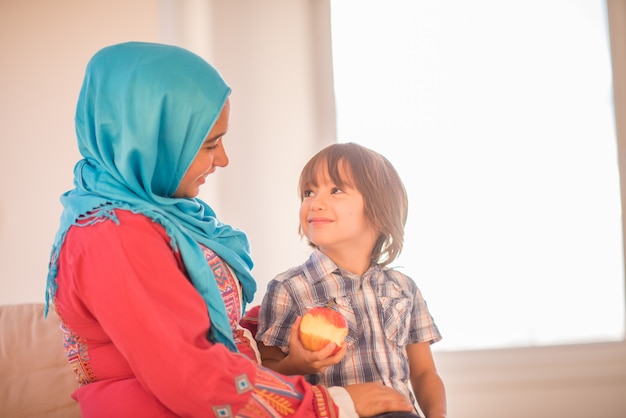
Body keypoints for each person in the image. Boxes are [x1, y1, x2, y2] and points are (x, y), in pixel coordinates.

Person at [44, 41, 416, 418]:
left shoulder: (156, 217)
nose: (223, 159)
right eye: (209, 144)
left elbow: (200, 326)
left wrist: (279, 322)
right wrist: (333, 405)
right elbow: (188, 374)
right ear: (152, 142)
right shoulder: (111, 236)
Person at [255, 143, 447, 418]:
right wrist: (296, 363)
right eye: (308, 192)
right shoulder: (289, 288)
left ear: (378, 210)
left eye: (336, 190)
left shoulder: (404, 288)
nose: (315, 202)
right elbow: (264, 376)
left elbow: (425, 372)